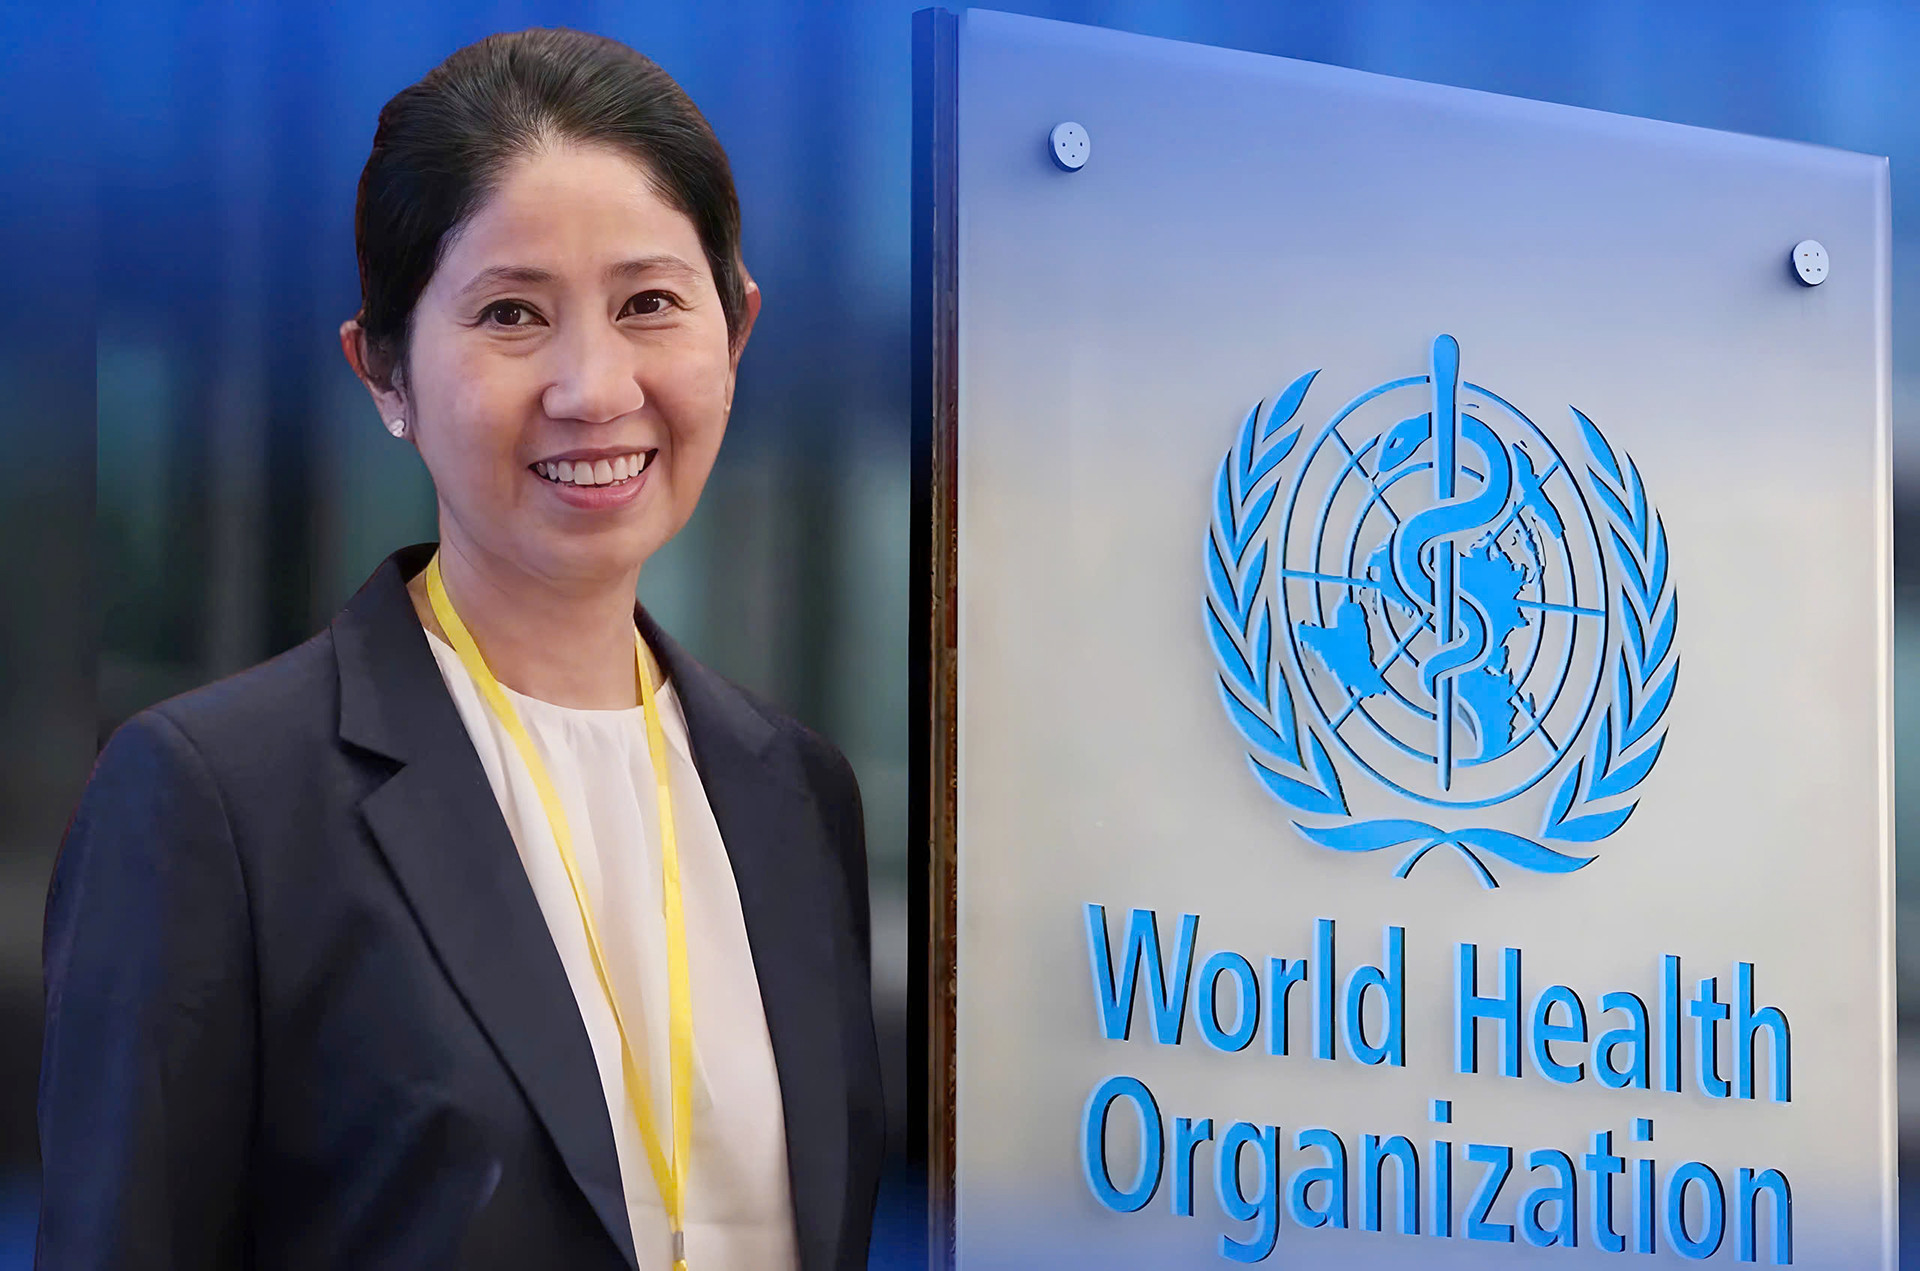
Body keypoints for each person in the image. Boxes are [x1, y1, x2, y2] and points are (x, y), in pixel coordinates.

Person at [36, 28, 884, 1271]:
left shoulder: (796, 795)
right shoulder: (218, 802)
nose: (595, 387)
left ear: (736, 330)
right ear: (384, 372)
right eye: (511, 313)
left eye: (649, 303)